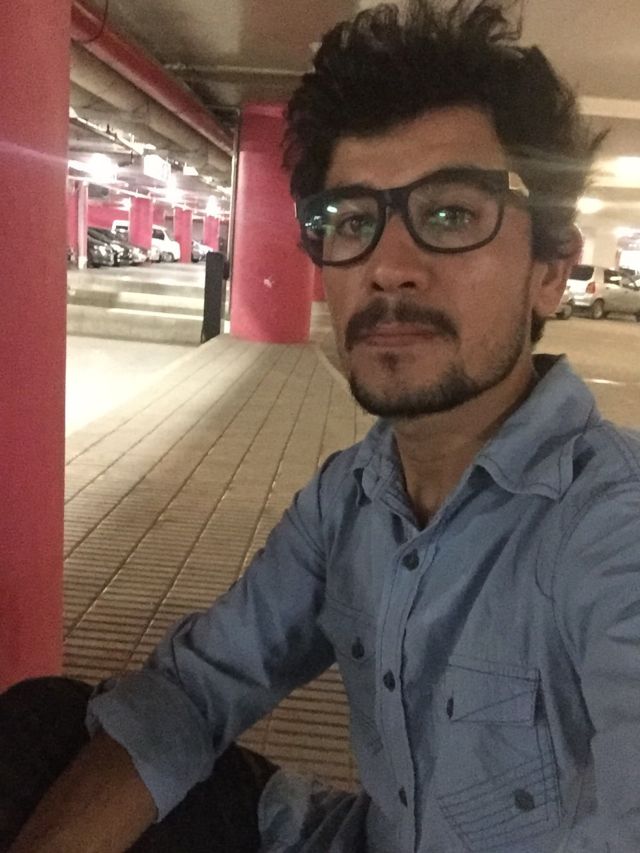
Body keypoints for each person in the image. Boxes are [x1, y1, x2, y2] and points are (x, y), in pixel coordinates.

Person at [3, 0, 638, 850]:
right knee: (43, 730)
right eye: (351, 221)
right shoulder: (352, 498)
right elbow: (194, 690)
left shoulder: (610, 528)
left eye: (451, 214)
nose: (389, 267)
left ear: (551, 272)